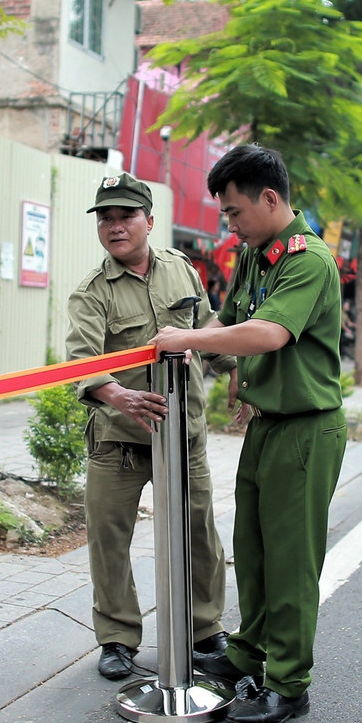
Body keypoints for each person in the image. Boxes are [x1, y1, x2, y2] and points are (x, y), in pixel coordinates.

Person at [151, 145, 347, 723]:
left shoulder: (308, 260)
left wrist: (189, 342)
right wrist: (209, 350)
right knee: (255, 549)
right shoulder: (257, 256)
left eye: (235, 212)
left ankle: (288, 683)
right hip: (265, 423)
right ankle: (249, 652)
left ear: (269, 198)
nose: (229, 225)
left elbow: (267, 333)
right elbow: (230, 318)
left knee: (291, 561)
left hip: (305, 430)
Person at [66, 172, 235, 681]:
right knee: (108, 540)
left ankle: (205, 629)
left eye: (126, 216)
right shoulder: (91, 293)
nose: (115, 226)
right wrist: (118, 395)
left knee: (199, 534)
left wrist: (234, 372)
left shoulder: (181, 270)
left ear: (149, 221)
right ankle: (118, 637)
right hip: (119, 441)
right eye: (106, 218)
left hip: (183, 435)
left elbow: (207, 328)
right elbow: (81, 362)